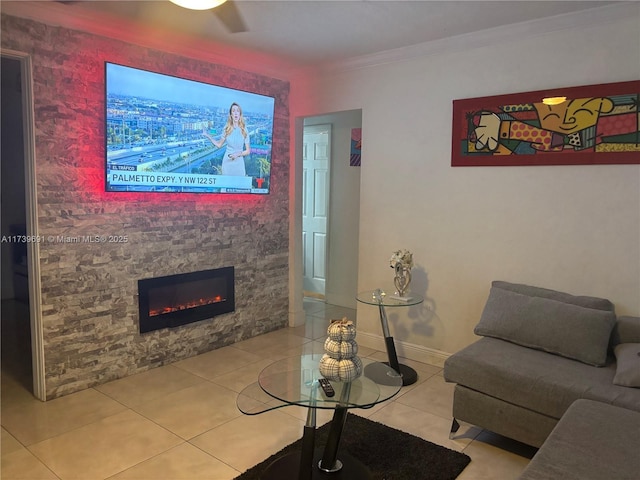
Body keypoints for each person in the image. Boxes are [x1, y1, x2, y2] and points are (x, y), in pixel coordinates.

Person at [203, 102, 250, 175]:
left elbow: (248, 151)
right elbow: (219, 145)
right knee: (226, 184)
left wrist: (238, 154)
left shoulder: (244, 130)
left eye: (238, 111)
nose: (236, 113)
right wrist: (207, 135)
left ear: (240, 114)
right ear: (231, 115)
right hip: (227, 161)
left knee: (239, 184)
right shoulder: (226, 129)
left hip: (239, 162)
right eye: (233, 111)